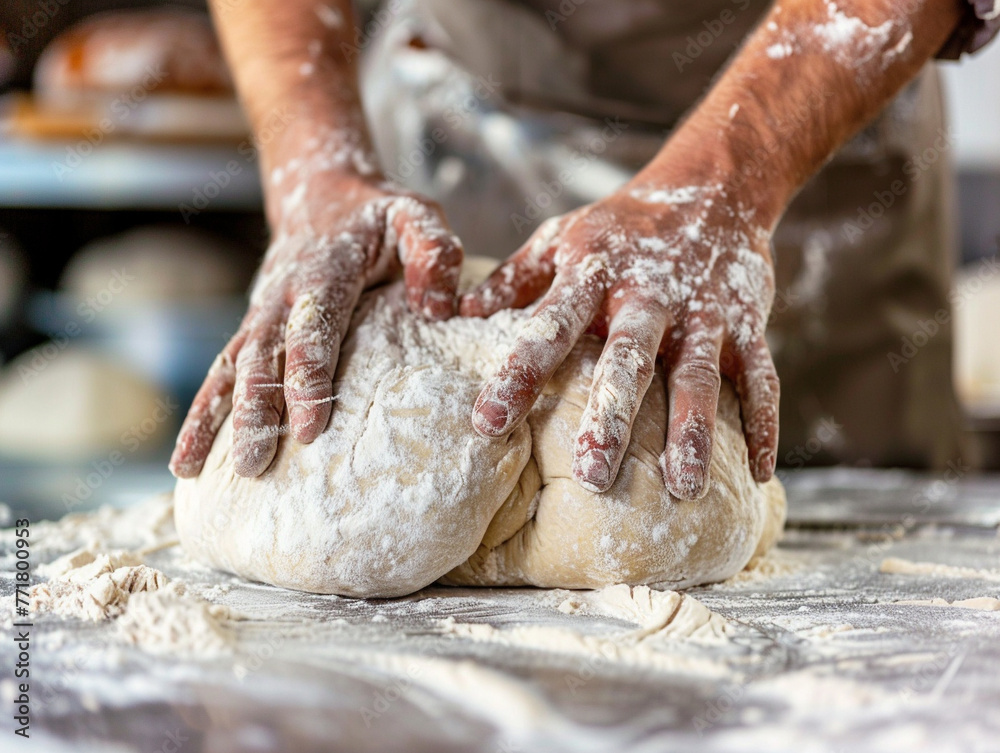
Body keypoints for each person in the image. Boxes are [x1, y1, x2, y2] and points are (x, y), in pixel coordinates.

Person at [169, 0, 999, 498]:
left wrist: (721, 190)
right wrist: (313, 171)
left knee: (849, 577)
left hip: (810, 133)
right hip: (460, 112)